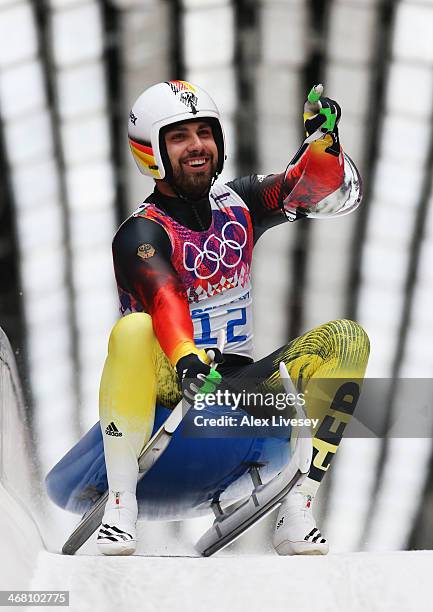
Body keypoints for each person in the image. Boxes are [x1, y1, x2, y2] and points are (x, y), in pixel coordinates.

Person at [96, 80, 370, 556]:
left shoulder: (238, 204)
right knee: (133, 329)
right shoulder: (140, 231)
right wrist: (186, 358)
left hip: (236, 384)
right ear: (152, 151)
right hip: (167, 385)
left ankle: (298, 508)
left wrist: (323, 141)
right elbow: (163, 295)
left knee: (347, 339)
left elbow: (313, 187)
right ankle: (120, 505)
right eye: (180, 136)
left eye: (205, 132)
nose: (198, 146)